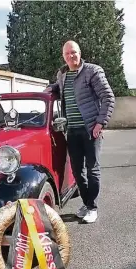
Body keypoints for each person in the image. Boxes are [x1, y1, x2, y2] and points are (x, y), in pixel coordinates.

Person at [46, 40, 115, 223]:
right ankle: (86, 203)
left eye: (74, 52)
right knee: (77, 171)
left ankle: (93, 207)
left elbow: (108, 97)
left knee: (92, 169)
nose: (71, 56)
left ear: (79, 52)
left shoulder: (92, 71)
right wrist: (49, 89)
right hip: (72, 131)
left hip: (91, 130)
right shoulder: (62, 74)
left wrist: (100, 123)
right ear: (63, 56)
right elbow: (58, 88)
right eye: (67, 53)